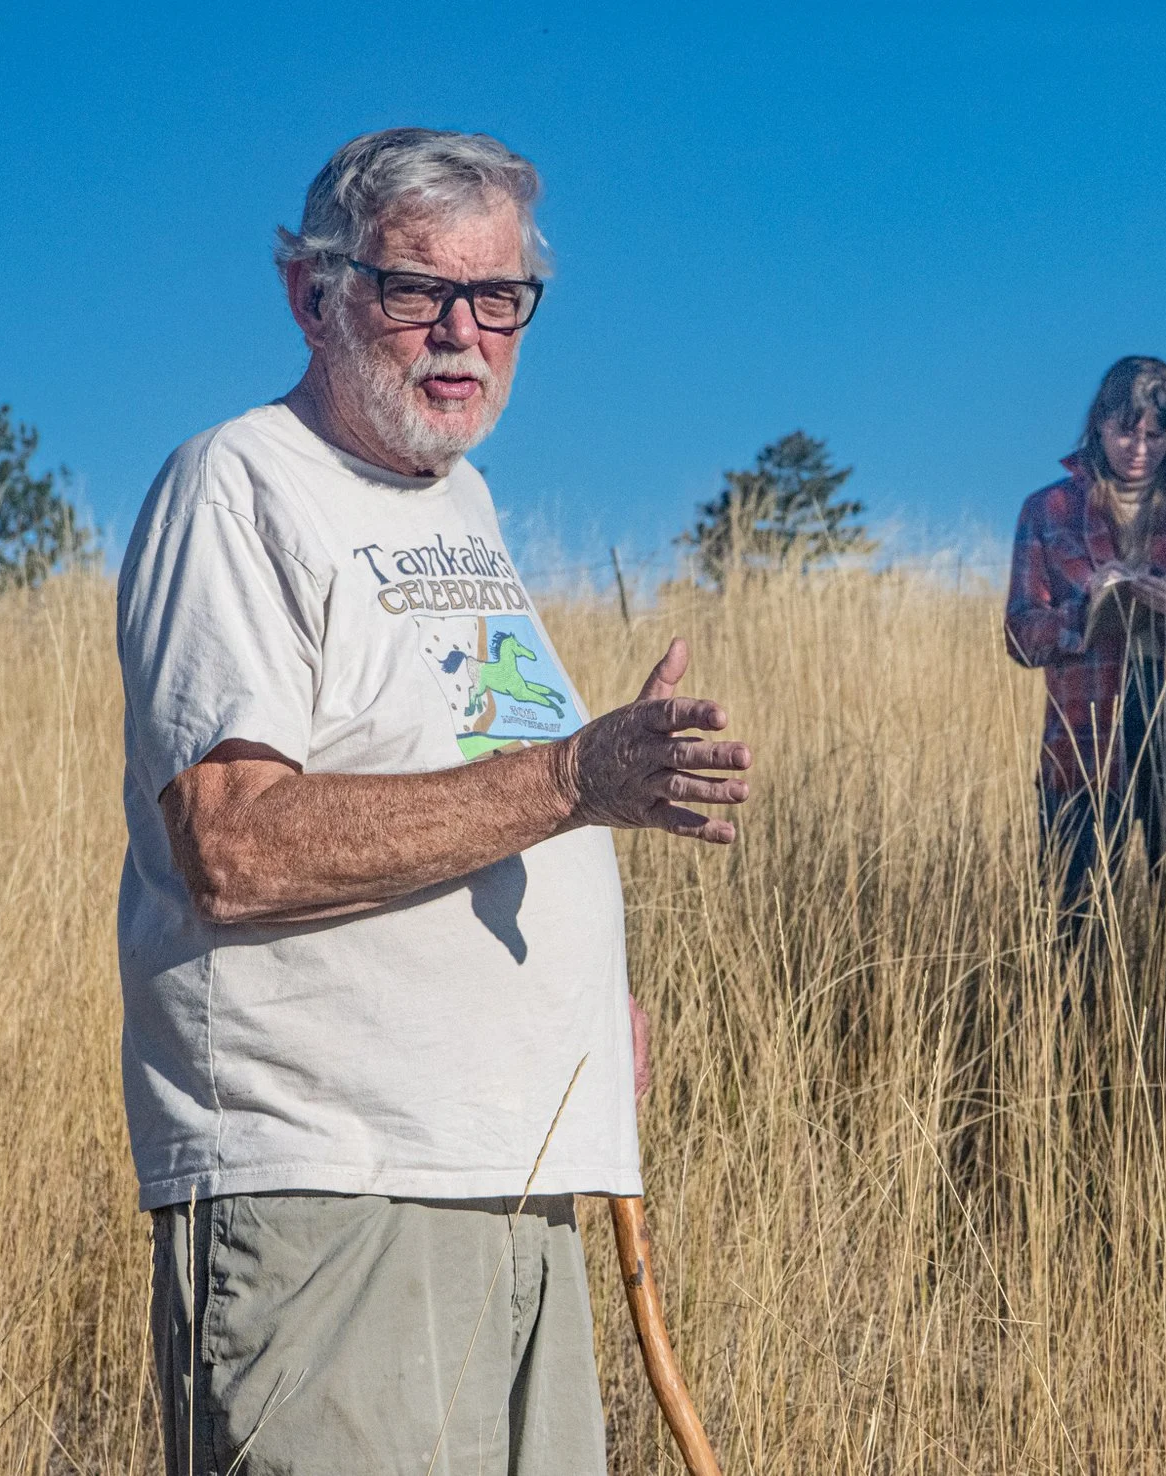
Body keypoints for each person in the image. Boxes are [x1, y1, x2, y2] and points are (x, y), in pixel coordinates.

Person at [118, 129, 751, 1474]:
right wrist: (577, 776)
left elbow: (474, 801)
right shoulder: (239, 488)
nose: (462, 331)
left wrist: (580, 998)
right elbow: (232, 844)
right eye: (417, 290)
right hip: (330, 1194)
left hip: (514, 1185)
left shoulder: (463, 509)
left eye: (500, 297)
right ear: (311, 293)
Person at [1003, 356, 1166, 973]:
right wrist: (1088, 607)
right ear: (1099, 426)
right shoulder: (1048, 511)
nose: (1139, 449)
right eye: (1126, 431)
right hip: (1086, 740)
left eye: (1156, 434)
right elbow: (1021, 636)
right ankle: (1073, 1058)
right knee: (1074, 927)